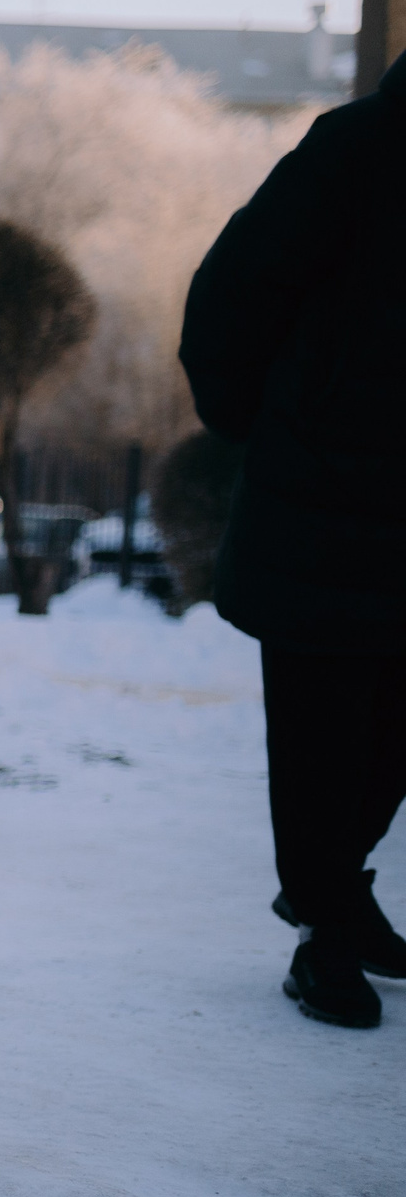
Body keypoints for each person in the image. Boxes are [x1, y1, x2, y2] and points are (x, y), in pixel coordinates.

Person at [180, 51, 406, 1031]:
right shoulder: (358, 149)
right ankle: (323, 934)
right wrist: (258, 425)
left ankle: (334, 898)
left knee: (391, 736)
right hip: (325, 504)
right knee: (324, 732)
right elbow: (233, 289)